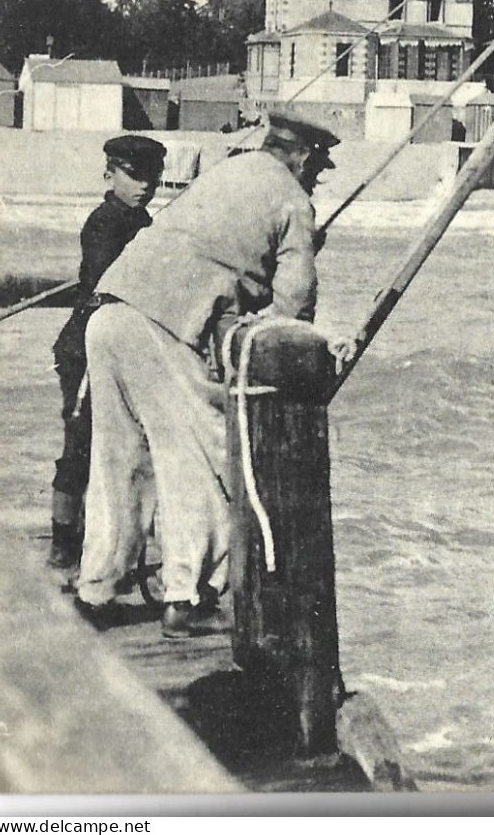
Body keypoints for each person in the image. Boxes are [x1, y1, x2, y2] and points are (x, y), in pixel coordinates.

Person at [74, 115, 337, 637]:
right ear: (303, 156)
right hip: (161, 327)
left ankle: (97, 589)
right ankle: (187, 601)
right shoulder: (292, 201)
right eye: (318, 167)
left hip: (108, 314)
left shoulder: (227, 171)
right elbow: (292, 309)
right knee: (203, 457)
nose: (316, 178)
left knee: (119, 460)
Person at [47, 136, 166, 570]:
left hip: (122, 344)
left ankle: (114, 538)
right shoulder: (103, 223)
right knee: (80, 443)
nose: (144, 186)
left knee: (128, 446)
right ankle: (63, 541)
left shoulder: (145, 222)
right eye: (134, 177)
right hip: (84, 349)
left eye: (151, 178)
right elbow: (107, 281)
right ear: (109, 175)